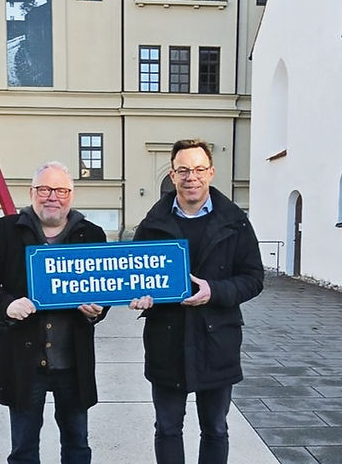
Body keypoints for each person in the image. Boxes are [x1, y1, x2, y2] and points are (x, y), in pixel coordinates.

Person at [130, 139, 264, 464]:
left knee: (216, 429)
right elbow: (134, 276)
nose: (192, 177)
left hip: (217, 342)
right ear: (173, 175)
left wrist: (214, 291)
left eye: (199, 169)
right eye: (184, 170)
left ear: (211, 172)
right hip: (167, 341)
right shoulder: (150, 225)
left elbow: (253, 278)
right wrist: (139, 297)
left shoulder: (236, 222)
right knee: (167, 428)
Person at [0, 161, 107, 464]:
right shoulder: (8, 229)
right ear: (32, 192)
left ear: (71, 195)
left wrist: (96, 310)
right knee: (23, 448)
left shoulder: (91, 234)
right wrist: (6, 304)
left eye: (60, 190)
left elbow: (104, 288)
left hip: (72, 360)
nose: (52, 197)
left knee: (77, 445)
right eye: (45, 189)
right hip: (23, 359)